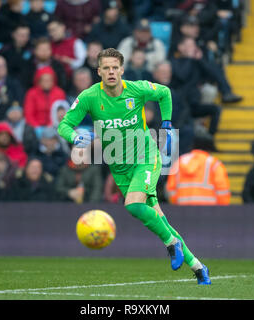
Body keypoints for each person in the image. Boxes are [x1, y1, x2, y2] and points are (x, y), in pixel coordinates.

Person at [57, 48, 211, 285]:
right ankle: (198, 268)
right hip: (119, 167)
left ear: (121, 70)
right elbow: (64, 125)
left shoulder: (136, 89)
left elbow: (164, 92)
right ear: (98, 71)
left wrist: (167, 123)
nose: (111, 72)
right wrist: (75, 137)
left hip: (145, 157)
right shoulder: (89, 97)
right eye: (106, 68)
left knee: (133, 205)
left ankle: (172, 244)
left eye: (114, 67)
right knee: (161, 220)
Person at [166, 134, 230, 205]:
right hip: (209, 211)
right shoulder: (214, 164)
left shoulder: (179, 162)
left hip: (183, 210)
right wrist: (221, 209)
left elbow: (171, 188)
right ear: (209, 149)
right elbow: (222, 189)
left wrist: (177, 203)